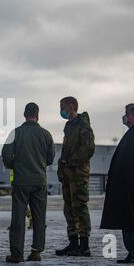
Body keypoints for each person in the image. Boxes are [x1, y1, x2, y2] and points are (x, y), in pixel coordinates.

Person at [100, 104, 134, 264]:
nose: (125, 116)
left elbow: (133, 162)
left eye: (127, 114)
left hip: (130, 187)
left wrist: (123, 183)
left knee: (130, 221)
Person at [2, 102, 55, 263]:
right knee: (39, 218)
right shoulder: (46, 134)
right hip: (40, 181)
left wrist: (15, 165)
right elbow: (50, 158)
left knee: (18, 217)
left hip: (21, 181)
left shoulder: (15, 133)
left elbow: (5, 155)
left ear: (24, 115)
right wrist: (38, 165)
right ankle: (36, 251)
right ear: (37, 115)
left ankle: (17, 254)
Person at [56, 97, 95, 257]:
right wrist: (62, 167)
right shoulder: (69, 126)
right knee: (69, 208)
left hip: (78, 174)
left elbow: (88, 149)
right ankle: (73, 243)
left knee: (79, 207)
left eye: (63, 108)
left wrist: (71, 162)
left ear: (71, 107)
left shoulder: (83, 125)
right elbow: (66, 150)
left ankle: (84, 245)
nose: (61, 111)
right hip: (67, 174)